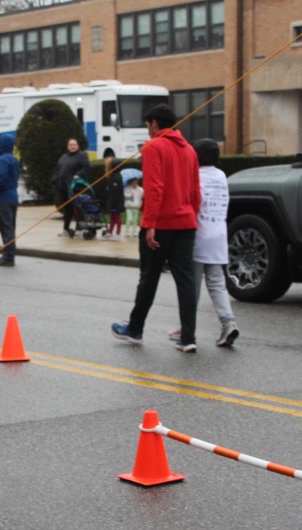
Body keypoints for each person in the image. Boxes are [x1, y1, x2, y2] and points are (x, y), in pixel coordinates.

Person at [111, 103, 200, 352]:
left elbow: (154, 188)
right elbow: (196, 192)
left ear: (155, 123)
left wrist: (150, 224)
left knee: (148, 278)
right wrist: (193, 218)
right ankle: (188, 338)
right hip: (186, 223)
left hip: (161, 224)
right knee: (186, 281)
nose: (147, 130)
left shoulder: (153, 146)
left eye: (148, 125)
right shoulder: (190, 150)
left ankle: (135, 329)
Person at [167, 139, 239, 347]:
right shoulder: (222, 176)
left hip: (198, 235)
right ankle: (228, 322)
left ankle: (186, 329)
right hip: (219, 234)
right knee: (217, 283)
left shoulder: (194, 175)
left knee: (191, 286)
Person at [0, 134, 19, 267]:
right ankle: (9, 254)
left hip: (3, 197)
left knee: (5, 226)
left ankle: (8, 256)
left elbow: (1, 177)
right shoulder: (13, 158)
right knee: (10, 226)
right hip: (12, 196)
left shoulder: (2, 160)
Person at [53, 138, 90, 238]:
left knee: (77, 208)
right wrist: (55, 179)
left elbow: (86, 168)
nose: (73, 146)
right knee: (67, 208)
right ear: (68, 146)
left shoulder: (82, 156)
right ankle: (66, 229)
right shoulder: (64, 157)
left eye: (74, 144)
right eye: (71, 145)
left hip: (75, 187)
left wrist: (79, 174)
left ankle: (80, 228)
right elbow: (58, 169)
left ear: (77, 146)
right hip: (63, 187)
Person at [102, 158, 124, 241]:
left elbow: (116, 190)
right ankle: (110, 232)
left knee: (117, 217)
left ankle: (118, 233)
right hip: (112, 200)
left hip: (116, 201)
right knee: (112, 218)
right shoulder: (112, 176)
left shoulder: (116, 177)